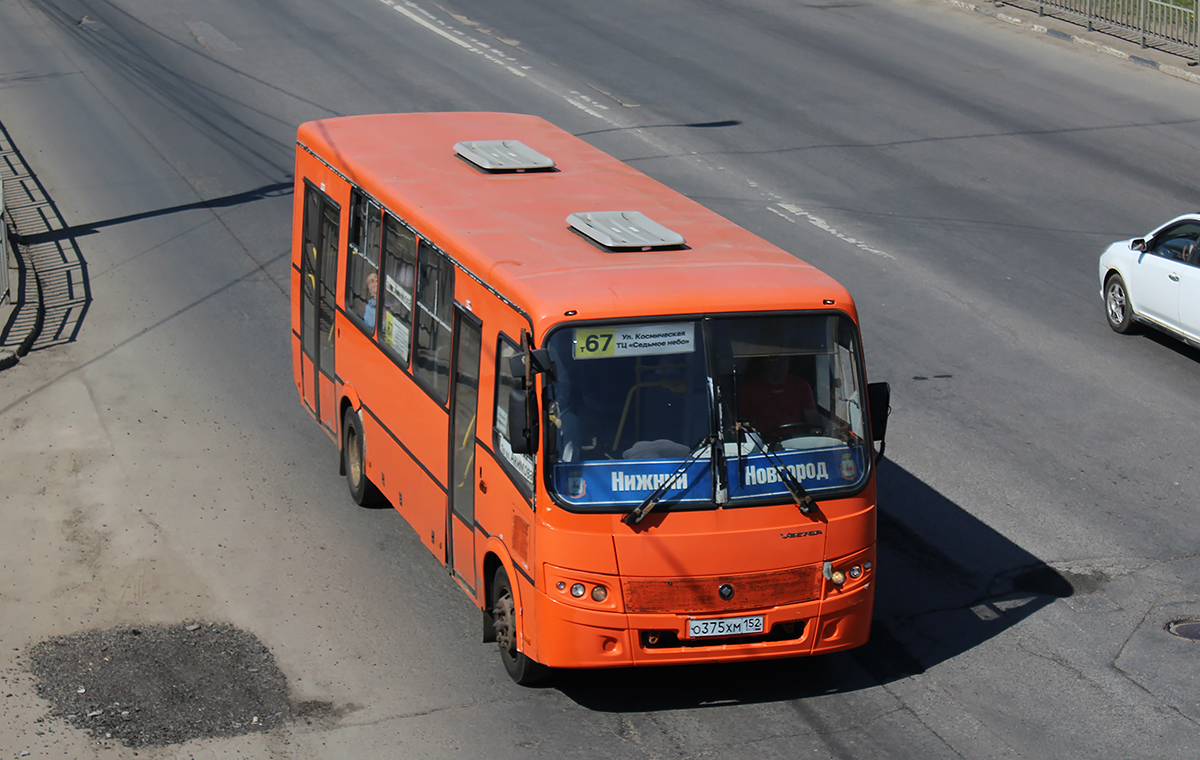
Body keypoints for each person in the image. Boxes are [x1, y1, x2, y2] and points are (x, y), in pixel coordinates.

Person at [736, 355, 821, 436]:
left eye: (784, 359)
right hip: (763, 445)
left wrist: (816, 431)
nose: (779, 364)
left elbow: (812, 418)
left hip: (797, 442)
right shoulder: (749, 389)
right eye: (774, 359)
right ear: (765, 361)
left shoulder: (801, 385)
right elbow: (738, 424)